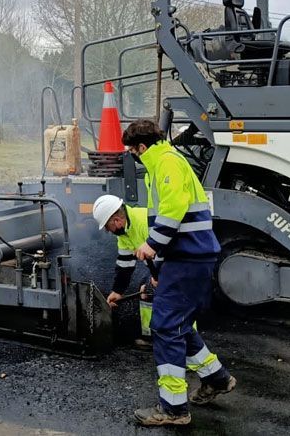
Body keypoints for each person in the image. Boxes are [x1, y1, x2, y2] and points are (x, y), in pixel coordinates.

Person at [123, 119, 236, 427]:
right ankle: (217, 379)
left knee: (165, 326)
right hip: (187, 256)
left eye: (133, 151)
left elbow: (174, 206)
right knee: (180, 324)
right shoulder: (165, 162)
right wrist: (160, 264)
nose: (134, 156)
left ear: (142, 147)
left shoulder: (166, 162)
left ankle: (173, 410)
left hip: (188, 255)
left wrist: (151, 244)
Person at [92, 194, 153, 346]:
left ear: (116, 221)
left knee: (160, 294)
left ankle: (180, 340)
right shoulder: (124, 233)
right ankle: (153, 335)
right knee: (148, 291)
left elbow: (165, 253)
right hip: (163, 263)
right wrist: (117, 291)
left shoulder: (145, 222)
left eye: (107, 226)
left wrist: (156, 279)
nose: (107, 231)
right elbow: (125, 264)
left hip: (178, 262)